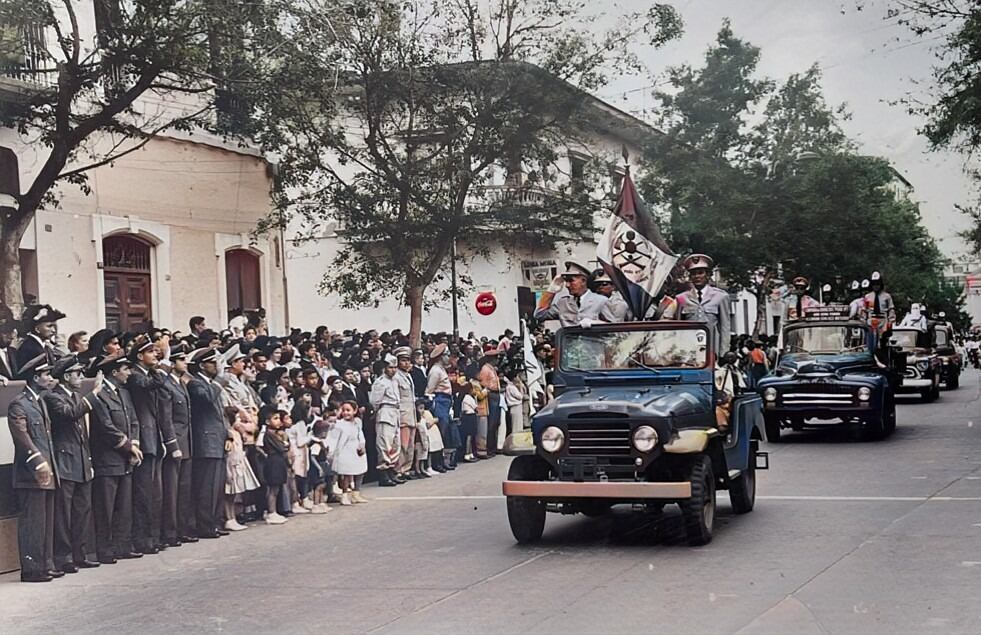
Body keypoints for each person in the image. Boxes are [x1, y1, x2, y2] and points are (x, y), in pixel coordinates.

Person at [43, 355, 102, 574]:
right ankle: (64, 557)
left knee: (82, 511)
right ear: (67, 376)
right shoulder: (54, 397)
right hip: (66, 461)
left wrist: (89, 461)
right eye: (77, 373)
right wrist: (94, 394)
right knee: (64, 513)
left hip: (80, 461)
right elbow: (69, 415)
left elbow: (82, 433)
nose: (81, 376)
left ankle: (80, 553)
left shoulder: (76, 395)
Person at [8, 355, 62, 582]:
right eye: (46, 374)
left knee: (45, 522)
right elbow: (22, 437)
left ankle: (45, 564)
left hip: (46, 471)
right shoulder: (20, 403)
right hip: (31, 473)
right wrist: (39, 462)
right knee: (33, 523)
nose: (50, 378)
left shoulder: (38, 402)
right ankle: (31, 569)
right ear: (35, 377)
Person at [89, 353, 144, 565]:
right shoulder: (101, 396)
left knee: (124, 506)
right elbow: (106, 428)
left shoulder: (124, 393)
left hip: (126, 459)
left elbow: (134, 421)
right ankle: (105, 549)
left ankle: (123, 545)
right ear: (114, 372)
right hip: (108, 459)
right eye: (125, 369)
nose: (128, 373)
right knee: (106, 508)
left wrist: (135, 446)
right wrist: (129, 447)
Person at [126, 334, 176, 555]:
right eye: (150, 351)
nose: (155, 354)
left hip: (153, 438)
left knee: (155, 493)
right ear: (139, 356)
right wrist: (164, 363)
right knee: (144, 493)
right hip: (144, 440)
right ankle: (142, 539)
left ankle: (152, 536)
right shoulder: (136, 376)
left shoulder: (151, 373)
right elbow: (151, 384)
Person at [186, 347, 229, 539]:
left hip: (217, 440)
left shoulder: (211, 384)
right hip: (206, 442)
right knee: (206, 487)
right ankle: (204, 524)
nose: (216, 366)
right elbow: (206, 399)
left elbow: (220, 415)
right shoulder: (196, 384)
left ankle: (214, 521)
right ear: (202, 366)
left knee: (217, 486)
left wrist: (227, 434)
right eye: (212, 363)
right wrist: (219, 380)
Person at [158, 344, 195, 546]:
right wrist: (172, 445)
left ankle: (182, 529)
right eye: (181, 360)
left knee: (183, 489)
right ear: (172, 363)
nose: (185, 363)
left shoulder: (181, 383)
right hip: (176, 441)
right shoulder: (166, 385)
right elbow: (166, 418)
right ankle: (170, 532)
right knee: (172, 492)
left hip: (186, 441)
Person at [676, 254, 732, 354]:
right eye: (693, 273)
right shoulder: (681, 298)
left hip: (711, 351)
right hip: (689, 350)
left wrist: (724, 353)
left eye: (700, 273)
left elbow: (725, 327)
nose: (697, 276)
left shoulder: (720, 297)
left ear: (708, 275)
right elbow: (678, 328)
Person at [533, 261, 608, 327]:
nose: (567, 285)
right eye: (566, 281)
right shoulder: (563, 303)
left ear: (584, 281)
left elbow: (615, 327)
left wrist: (597, 324)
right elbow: (539, 315)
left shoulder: (601, 301)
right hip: (570, 343)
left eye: (571, 280)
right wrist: (551, 291)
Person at [369, 356, 403, 486]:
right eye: (390, 367)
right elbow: (375, 401)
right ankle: (383, 473)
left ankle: (391, 470)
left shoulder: (394, 381)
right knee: (385, 444)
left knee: (395, 444)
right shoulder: (380, 382)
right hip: (385, 411)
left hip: (395, 412)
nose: (393, 370)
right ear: (385, 368)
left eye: (395, 367)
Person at [327, 401, 368, 506]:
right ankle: (344, 495)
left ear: (354, 411)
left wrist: (362, 445)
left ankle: (356, 494)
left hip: (356, 450)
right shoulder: (339, 424)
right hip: (345, 451)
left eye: (348, 410)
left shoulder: (357, 423)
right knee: (347, 474)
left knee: (360, 471)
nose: (346, 413)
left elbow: (360, 435)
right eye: (344, 410)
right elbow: (333, 436)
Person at [258, 405, 289, 524]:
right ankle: (271, 512)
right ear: (267, 421)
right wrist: (284, 443)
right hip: (273, 461)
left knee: (276, 488)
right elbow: (282, 447)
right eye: (275, 418)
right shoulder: (269, 434)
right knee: (273, 489)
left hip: (278, 461)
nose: (278, 421)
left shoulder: (275, 433)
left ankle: (273, 511)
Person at [394, 346, 419, 479]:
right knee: (402, 444)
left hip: (411, 412)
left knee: (410, 444)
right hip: (402, 414)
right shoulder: (396, 377)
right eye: (403, 360)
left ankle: (406, 469)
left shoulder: (408, 375)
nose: (406, 363)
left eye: (408, 360)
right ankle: (399, 469)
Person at [864, 271, 896, 335]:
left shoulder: (887, 296)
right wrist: (864, 322)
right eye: (874, 284)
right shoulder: (867, 297)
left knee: (883, 340)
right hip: (871, 321)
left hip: (883, 321)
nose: (876, 286)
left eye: (878, 284)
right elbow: (865, 311)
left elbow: (891, 310)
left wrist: (891, 321)